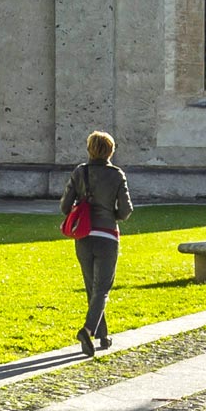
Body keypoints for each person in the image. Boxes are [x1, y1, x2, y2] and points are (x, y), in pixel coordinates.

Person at [60, 130, 133, 356]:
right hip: (107, 236)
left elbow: (64, 206)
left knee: (92, 288)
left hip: (83, 236)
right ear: (111, 150)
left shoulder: (80, 172)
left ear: (89, 149)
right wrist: (113, 215)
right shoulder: (116, 175)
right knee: (102, 288)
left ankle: (102, 335)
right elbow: (126, 209)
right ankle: (88, 330)